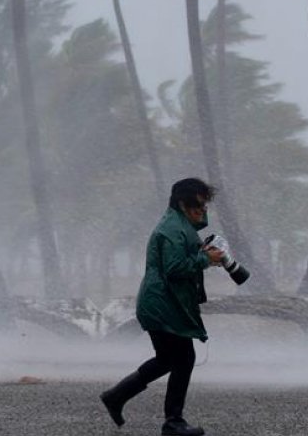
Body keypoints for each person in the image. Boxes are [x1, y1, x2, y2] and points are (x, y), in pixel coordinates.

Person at [100, 178, 223, 436]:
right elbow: (175, 268)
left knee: (169, 359)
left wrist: (203, 252)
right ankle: (173, 422)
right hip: (162, 304)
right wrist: (204, 258)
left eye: (205, 206)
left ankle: (117, 396)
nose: (203, 211)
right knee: (183, 358)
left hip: (163, 303)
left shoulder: (180, 225)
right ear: (182, 203)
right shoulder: (171, 229)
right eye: (199, 205)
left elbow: (182, 256)